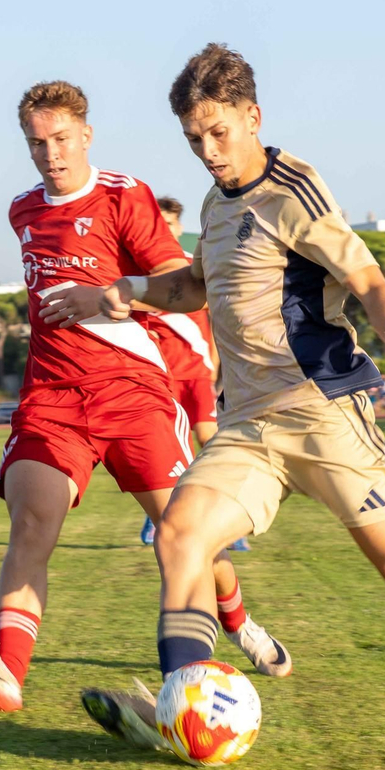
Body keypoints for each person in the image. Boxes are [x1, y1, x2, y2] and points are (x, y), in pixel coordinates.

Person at [40, 45, 385, 749]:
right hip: (248, 424)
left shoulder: (293, 189)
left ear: (252, 116)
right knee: (180, 536)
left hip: (322, 410)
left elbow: (369, 281)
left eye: (219, 132)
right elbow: (194, 289)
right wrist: (119, 293)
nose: (208, 151)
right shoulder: (215, 206)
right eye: (193, 139)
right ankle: (180, 706)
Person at [0, 79, 290, 716]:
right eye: (36, 143)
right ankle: (7, 673)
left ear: (86, 135)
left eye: (60, 139)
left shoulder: (122, 196)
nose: (50, 154)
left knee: (183, 537)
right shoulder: (23, 211)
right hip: (51, 398)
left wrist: (107, 295)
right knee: (30, 525)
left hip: (133, 395)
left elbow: (179, 286)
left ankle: (238, 623)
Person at [137, 195, 250, 551]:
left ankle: (229, 523)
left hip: (198, 375)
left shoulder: (193, 269)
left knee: (212, 442)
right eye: (159, 223)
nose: (165, 230)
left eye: (170, 224)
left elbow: (217, 318)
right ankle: (161, 516)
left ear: (179, 227)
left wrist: (219, 366)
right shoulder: (139, 276)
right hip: (159, 377)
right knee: (168, 451)